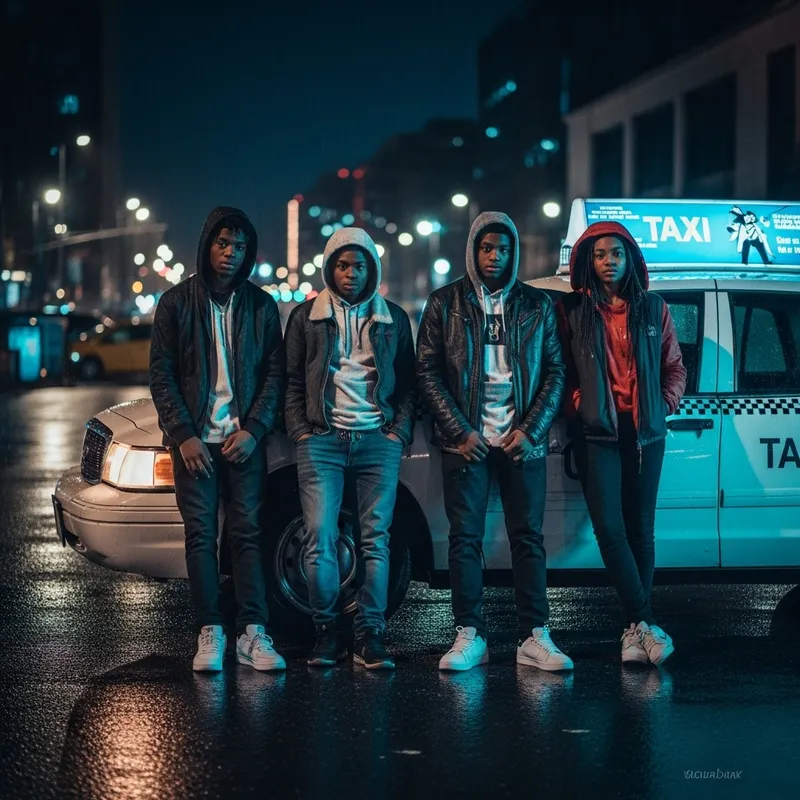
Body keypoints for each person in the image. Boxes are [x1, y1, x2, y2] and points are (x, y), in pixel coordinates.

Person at [416, 211, 572, 672]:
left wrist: (532, 430)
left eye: (503, 249)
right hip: (467, 443)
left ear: (513, 253)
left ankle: (534, 635)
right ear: (473, 250)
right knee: (465, 538)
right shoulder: (445, 303)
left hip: (522, 442)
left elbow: (557, 371)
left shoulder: (536, 305)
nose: (494, 257)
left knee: (529, 538)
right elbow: (426, 371)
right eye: (486, 248)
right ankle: (470, 634)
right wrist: (459, 431)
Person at [149, 206, 285, 672]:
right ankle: (210, 632)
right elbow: (162, 375)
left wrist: (254, 430)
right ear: (207, 244)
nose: (230, 253)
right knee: (202, 537)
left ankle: (253, 633)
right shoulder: (175, 303)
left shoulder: (261, 306)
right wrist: (183, 435)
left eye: (240, 246)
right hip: (195, 445)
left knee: (248, 535)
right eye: (223, 243)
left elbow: (274, 374)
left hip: (243, 442)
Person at [284, 227, 416, 670]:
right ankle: (327, 632)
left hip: (378, 441)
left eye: (359, 265)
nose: (351, 273)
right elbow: (292, 381)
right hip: (322, 441)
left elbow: (408, 383)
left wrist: (398, 430)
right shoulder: (306, 317)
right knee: (319, 538)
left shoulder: (393, 317)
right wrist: (302, 429)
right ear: (330, 268)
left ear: (372, 269)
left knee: (376, 541)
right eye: (342, 265)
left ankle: (370, 636)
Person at [556, 221, 687, 666]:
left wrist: (662, 403)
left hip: (645, 432)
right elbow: (564, 373)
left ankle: (633, 634)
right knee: (609, 529)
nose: (608, 261)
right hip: (598, 432)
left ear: (630, 258)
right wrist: (581, 404)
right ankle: (645, 621)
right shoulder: (573, 310)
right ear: (587, 261)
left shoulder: (655, 308)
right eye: (599, 254)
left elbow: (675, 367)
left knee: (640, 531)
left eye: (616, 253)